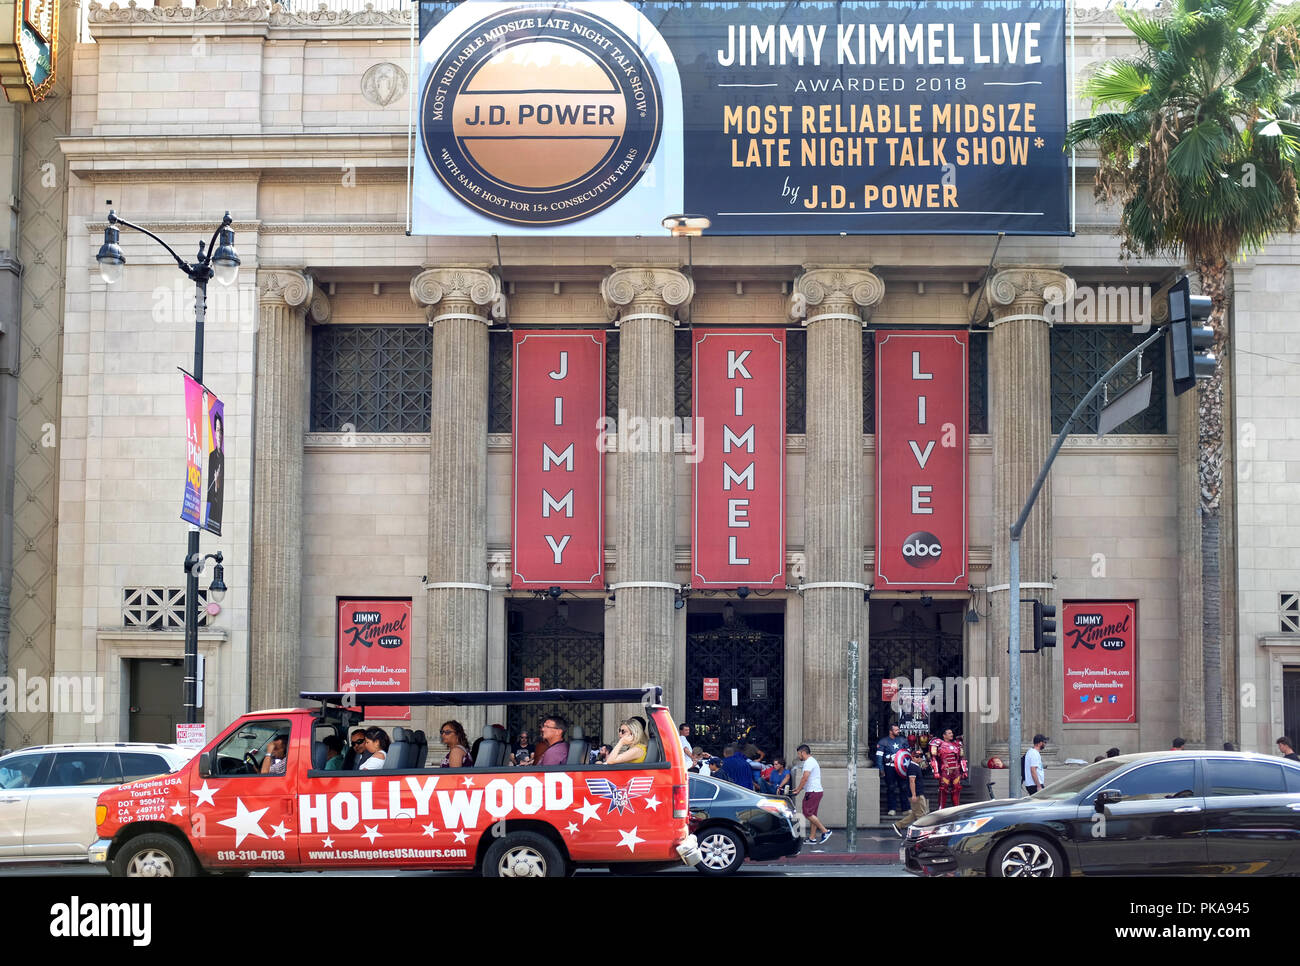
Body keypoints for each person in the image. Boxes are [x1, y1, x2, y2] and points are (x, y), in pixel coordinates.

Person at [793, 744, 830, 844]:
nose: (798, 756)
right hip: (816, 791)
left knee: (807, 813)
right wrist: (799, 789)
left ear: (803, 752)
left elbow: (805, 777)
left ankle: (825, 831)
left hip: (812, 792)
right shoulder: (812, 761)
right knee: (813, 815)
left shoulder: (809, 762)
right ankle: (812, 838)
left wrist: (798, 790)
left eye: (798, 754)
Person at [875, 723, 909, 816]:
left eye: (898, 730)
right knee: (891, 788)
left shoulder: (903, 740)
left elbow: (907, 754)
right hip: (889, 768)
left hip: (901, 768)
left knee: (904, 787)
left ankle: (906, 809)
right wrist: (881, 768)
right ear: (891, 731)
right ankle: (892, 808)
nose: (898, 731)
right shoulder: (883, 742)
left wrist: (908, 767)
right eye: (896, 730)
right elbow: (879, 757)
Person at [929, 728, 967, 808]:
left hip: (956, 771)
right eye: (949, 733)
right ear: (944, 735)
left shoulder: (957, 744)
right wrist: (936, 771)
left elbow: (961, 758)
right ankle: (941, 808)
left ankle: (956, 808)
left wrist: (964, 771)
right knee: (943, 789)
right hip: (945, 771)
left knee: (957, 789)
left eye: (952, 733)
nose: (952, 734)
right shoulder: (938, 743)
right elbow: (933, 758)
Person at [204, 409, 224, 534]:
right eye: (217, 430)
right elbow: (211, 493)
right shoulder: (212, 457)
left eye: (221, 431)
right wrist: (216, 483)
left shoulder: (222, 457)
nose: (219, 435)